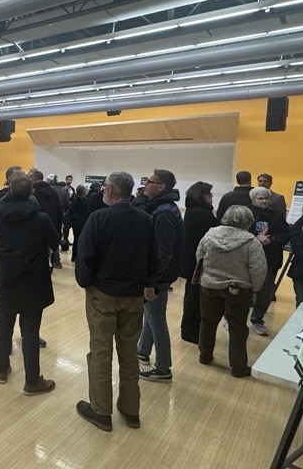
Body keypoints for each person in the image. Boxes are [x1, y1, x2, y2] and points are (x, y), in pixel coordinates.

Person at [74, 171, 159, 432]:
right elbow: (154, 258)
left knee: (101, 352)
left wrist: (85, 282)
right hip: (133, 297)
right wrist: (147, 283)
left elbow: (85, 257)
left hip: (103, 295)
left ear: (111, 190)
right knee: (129, 352)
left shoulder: (99, 218)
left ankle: (101, 410)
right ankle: (131, 409)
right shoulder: (145, 220)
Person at [0, 174, 58, 395]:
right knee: (30, 330)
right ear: (32, 192)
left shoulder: (0, 212)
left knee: (4, 326)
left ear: (10, 190)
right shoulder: (41, 218)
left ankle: (2, 370)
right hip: (32, 280)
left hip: (6, 277)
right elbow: (54, 242)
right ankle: (32, 381)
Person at [196, 205, 267, 378]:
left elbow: (199, 255)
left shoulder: (210, 234)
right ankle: (238, 367)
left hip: (209, 286)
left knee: (207, 322)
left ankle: (205, 355)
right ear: (248, 221)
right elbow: (258, 269)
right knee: (237, 328)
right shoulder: (251, 242)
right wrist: (255, 288)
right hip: (238, 289)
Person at [136, 169, 183, 383]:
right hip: (159, 274)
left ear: (161, 187)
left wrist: (151, 281)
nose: (145, 184)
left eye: (150, 181)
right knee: (151, 314)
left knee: (156, 319)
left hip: (159, 276)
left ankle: (163, 368)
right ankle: (143, 351)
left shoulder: (164, 213)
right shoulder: (161, 207)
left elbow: (163, 253)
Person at [247, 186, 290, 335]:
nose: (264, 201)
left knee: (265, 293)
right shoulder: (246, 212)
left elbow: (285, 234)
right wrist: (255, 237)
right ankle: (232, 318)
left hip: (270, 258)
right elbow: (238, 232)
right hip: (248, 258)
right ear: (253, 200)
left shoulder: (276, 214)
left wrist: (271, 239)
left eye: (266, 198)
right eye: (260, 198)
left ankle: (257, 320)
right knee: (244, 291)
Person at [180, 181, 220, 344]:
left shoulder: (195, 210)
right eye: (209, 195)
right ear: (201, 196)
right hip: (196, 262)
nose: (211, 198)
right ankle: (190, 331)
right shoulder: (199, 213)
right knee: (194, 298)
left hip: (194, 260)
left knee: (193, 296)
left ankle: (191, 330)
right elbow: (217, 230)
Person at [31, 171, 64, 269]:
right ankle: (55, 263)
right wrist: (58, 229)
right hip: (52, 224)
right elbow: (59, 211)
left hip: (36, 227)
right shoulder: (53, 192)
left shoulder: (32, 192)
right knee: (52, 247)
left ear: (34, 179)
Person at [65, 185, 89, 262]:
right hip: (77, 223)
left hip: (81, 222)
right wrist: (79, 218)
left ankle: (78, 255)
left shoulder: (84, 199)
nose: (87, 191)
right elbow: (72, 211)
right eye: (85, 190)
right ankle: (74, 256)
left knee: (79, 239)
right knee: (77, 239)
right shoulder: (76, 199)